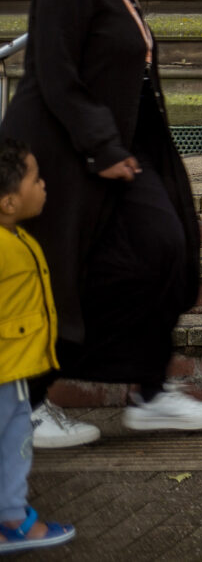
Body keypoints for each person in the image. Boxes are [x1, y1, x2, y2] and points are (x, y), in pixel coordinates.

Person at [0, 0, 202, 449]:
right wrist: (100, 147)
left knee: (165, 249)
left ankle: (148, 393)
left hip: (122, 150)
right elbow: (54, 71)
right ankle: (27, 404)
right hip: (60, 156)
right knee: (59, 270)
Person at [0, 141, 74, 553]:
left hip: (15, 376)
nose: (45, 186)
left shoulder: (17, 238)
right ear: (9, 201)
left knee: (15, 448)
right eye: (36, 179)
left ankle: (10, 519)